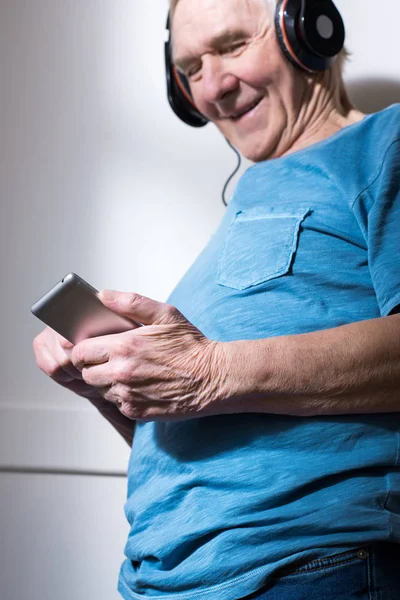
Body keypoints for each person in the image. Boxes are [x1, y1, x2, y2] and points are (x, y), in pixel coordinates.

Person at [33, 0, 400, 598]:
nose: (213, 87)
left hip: (301, 566)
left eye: (231, 46)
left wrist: (210, 371)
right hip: (157, 579)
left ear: (307, 28)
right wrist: (125, 388)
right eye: (191, 69)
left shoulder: (386, 142)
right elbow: (226, 421)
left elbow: (220, 381)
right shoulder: (238, 215)